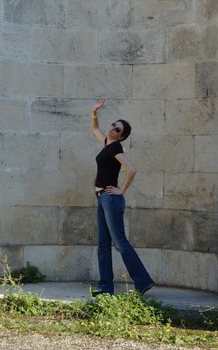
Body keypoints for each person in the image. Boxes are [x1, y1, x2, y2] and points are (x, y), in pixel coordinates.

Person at [90, 99, 154, 296]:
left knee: (120, 243)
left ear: (122, 136)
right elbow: (95, 129)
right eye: (113, 125)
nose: (113, 128)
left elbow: (131, 169)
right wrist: (94, 113)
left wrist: (121, 190)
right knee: (103, 245)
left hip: (110, 199)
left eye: (117, 129)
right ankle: (105, 287)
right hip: (102, 198)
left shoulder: (115, 148)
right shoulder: (107, 144)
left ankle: (143, 281)